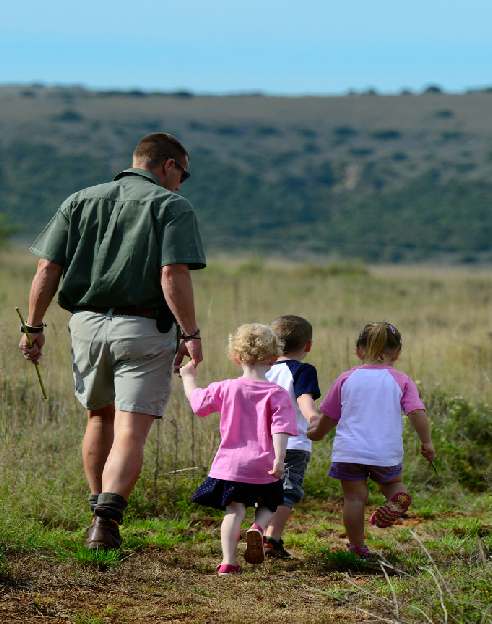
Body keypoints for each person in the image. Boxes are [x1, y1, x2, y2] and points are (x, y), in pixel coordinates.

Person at [19, 132, 206, 550]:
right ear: (169, 165)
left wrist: (33, 326)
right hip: (142, 329)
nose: (182, 183)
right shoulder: (171, 206)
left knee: (99, 418)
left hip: (85, 325)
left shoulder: (80, 199)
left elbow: (47, 267)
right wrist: (191, 333)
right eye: (183, 174)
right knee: (130, 430)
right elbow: (172, 274)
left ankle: (95, 512)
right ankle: (106, 524)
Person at [308, 322, 435, 558]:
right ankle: (397, 497)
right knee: (392, 484)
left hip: (350, 451)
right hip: (384, 452)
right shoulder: (401, 380)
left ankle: (357, 547)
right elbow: (417, 413)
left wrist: (317, 434)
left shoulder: (346, 378)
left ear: (358, 350)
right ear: (397, 352)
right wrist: (426, 442)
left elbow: (330, 416)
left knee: (354, 498)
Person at [180, 324, 297, 575]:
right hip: (263, 464)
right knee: (270, 504)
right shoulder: (277, 394)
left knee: (234, 510)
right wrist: (279, 458)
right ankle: (257, 528)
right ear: (274, 358)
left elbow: (198, 405)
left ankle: (228, 561)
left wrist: (189, 378)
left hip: (231, 466)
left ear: (236, 357)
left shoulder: (226, 388)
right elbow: (281, 428)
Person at [263, 315, 321, 558]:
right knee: (288, 491)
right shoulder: (303, 370)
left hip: (263, 443)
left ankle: (259, 528)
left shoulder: (261, 371)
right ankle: (271, 538)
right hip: (293, 443)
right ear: (307, 345)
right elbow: (303, 398)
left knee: (264, 490)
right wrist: (313, 418)